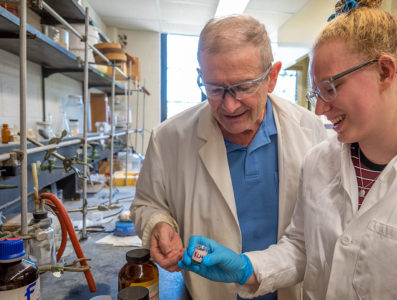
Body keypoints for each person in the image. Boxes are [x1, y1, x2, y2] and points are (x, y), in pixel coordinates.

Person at [179, 0, 397, 299]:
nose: (318, 110)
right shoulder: (319, 161)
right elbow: (302, 248)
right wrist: (246, 268)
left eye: (330, 87)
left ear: (385, 71)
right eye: (316, 93)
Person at [130, 14, 327, 299]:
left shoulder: (310, 131)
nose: (229, 104)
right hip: (209, 291)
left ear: (272, 77)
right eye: (214, 88)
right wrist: (158, 225)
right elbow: (147, 204)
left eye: (244, 87)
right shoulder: (168, 138)